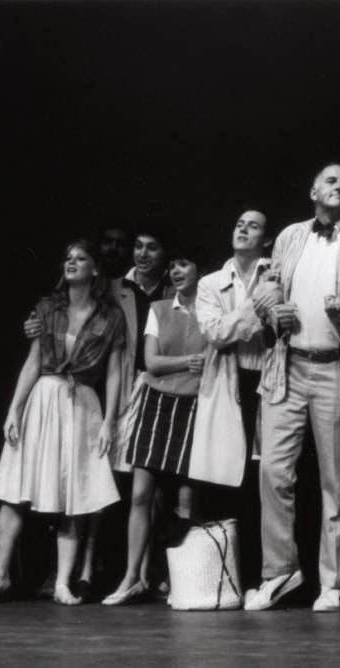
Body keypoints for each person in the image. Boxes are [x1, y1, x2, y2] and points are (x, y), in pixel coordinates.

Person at [245, 163, 340, 612]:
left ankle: (333, 582)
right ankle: (280, 572)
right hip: (287, 368)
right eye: (331, 180)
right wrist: (275, 310)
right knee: (273, 472)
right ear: (313, 188)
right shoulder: (292, 235)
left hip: (336, 369)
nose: (339, 186)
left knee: (338, 483)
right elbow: (266, 287)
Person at [0, 240, 125, 605]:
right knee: (15, 489)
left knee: (73, 495)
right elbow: (32, 362)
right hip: (43, 398)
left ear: (95, 269)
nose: (71, 262)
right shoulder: (48, 308)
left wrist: (108, 422)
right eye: (68, 258)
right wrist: (14, 409)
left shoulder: (111, 316)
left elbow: (116, 373)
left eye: (80, 258)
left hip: (82, 403)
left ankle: (62, 582)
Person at [102, 244, 209, 605]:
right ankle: (132, 577)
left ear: (199, 270)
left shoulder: (212, 313)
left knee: (186, 500)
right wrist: (188, 361)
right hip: (156, 403)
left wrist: (189, 363)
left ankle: (182, 579)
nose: (177, 271)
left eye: (184, 263)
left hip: (195, 407)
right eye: (174, 265)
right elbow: (151, 362)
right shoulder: (161, 309)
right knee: (140, 494)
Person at [193, 209, 274, 588]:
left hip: (271, 381)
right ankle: (227, 581)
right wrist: (259, 305)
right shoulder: (210, 283)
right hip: (229, 384)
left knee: (267, 481)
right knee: (229, 480)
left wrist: (245, 318)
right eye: (239, 223)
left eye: (253, 225)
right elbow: (216, 332)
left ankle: (265, 575)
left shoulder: (279, 274)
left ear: (266, 239)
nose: (242, 229)